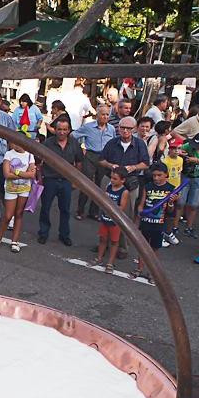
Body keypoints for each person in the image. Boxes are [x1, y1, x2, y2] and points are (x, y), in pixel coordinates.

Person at [99, 115, 151, 259]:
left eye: (128, 128)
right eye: (122, 128)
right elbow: (101, 160)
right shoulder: (112, 142)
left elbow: (146, 164)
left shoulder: (139, 144)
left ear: (134, 129)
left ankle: (122, 246)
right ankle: (104, 242)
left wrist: (133, 167)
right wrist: (111, 165)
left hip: (130, 183)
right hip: (111, 180)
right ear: (118, 128)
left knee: (126, 215)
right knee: (105, 211)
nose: (125, 131)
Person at [37, 118, 83, 246]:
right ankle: (43, 233)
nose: (62, 132)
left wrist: (75, 181)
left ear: (69, 130)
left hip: (66, 181)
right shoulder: (48, 143)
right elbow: (39, 162)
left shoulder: (74, 144)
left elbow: (79, 162)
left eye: (64, 130)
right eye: (59, 129)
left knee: (65, 210)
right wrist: (40, 179)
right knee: (45, 208)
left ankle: (64, 235)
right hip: (50, 180)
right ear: (55, 130)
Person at [130, 162, 177, 281]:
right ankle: (139, 268)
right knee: (143, 247)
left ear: (166, 174)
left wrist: (171, 203)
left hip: (159, 224)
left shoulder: (170, 189)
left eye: (159, 175)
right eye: (154, 175)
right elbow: (141, 203)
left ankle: (153, 272)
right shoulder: (148, 186)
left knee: (154, 249)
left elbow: (170, 211)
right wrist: (140, 213)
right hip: (146, 222)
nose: (156, 178)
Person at [0, 138, 36, 253]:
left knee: (19, 214)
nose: (16, 144)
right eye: (14, 142)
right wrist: (25, 174)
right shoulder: (9, 154)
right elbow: (6, 174)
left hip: (24, 189)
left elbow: (32, 175)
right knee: (8, 215)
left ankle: (14, 241)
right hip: (11, 188)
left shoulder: (30, 155)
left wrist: (15, 172)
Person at [74, 104, 116, 220]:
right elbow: (73, 136)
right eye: (103, 114)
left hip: (105, 158)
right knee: (86, 184)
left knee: (100, 186)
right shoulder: (88, 127)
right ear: (97, 115)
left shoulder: (111, 129)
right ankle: (80, 210)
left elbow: (113, 143)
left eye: (107, 114)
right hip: (91, 156)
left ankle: (94, 212)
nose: (105, 117)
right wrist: (80, 150)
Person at [90, 167, 129, 274]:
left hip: (115, 221)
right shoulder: (109, 187)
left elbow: (122, 207)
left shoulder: (124, 192)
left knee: (114, 242)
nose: (112, 180)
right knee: (102, 238)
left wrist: (110, 207)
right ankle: (99, 258)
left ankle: (110, 262)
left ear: (123, 180)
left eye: (115, 179)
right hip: (105, 218)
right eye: (111, 178)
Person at [163, 137, 185, 245]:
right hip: (166, 190)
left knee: (172, 213)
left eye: (178, 148)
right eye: (173, 148)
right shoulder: (165, 161)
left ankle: (168, 232)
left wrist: (179, 189)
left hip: (176, 190)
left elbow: (179, 174)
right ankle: (161, 234)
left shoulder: (181, 160)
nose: (176, 151)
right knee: (163, 213)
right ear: (169, 149)